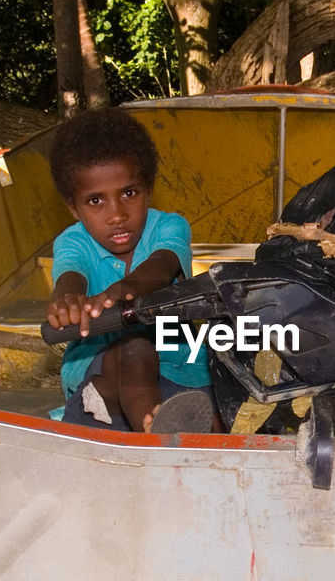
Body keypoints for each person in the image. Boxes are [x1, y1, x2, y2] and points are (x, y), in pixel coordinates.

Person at [44, 109, 214, 432]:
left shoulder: (170, 227)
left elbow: (161, 267)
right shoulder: (73, 243)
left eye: (129, 193)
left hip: (181, 365)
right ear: (73, 208)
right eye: (96, 201)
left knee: (225, 372)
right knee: (133, 348)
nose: (117, 214)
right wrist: (68, 300)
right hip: (104, 383)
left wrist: (126, 289)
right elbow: (70, 277)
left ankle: (179, 429)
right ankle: (154, 435)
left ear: (148, 190)